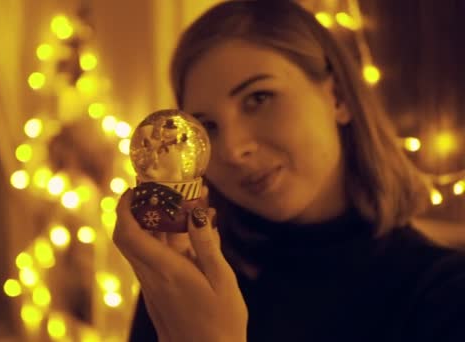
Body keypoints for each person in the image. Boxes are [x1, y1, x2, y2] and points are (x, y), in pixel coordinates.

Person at [112, 1, 465, 341]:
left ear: (338, 96)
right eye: (207, 126)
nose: (233, 151)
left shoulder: (443, 296)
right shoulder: (188, 279)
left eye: (258, 99)